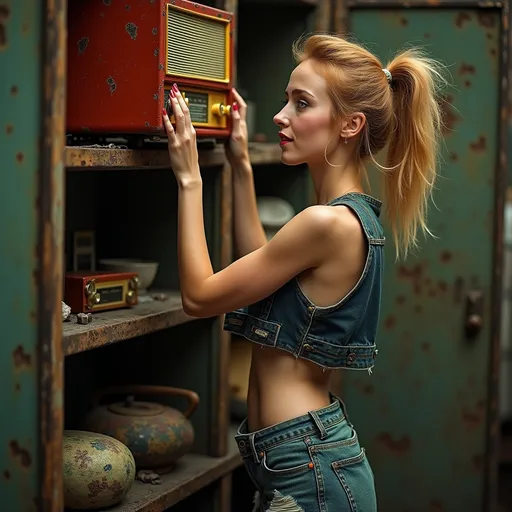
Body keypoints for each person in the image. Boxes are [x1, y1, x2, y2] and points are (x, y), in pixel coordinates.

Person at [162, 33, 444, 512]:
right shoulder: (345, 217)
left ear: (351, 124)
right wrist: (241, 165)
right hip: (304, 460)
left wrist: (190, 180)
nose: (280, 115)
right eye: (285, 99)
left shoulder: (326, 223)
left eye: (301, 103)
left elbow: (200, 296)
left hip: (308, 468)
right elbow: (263, 271)